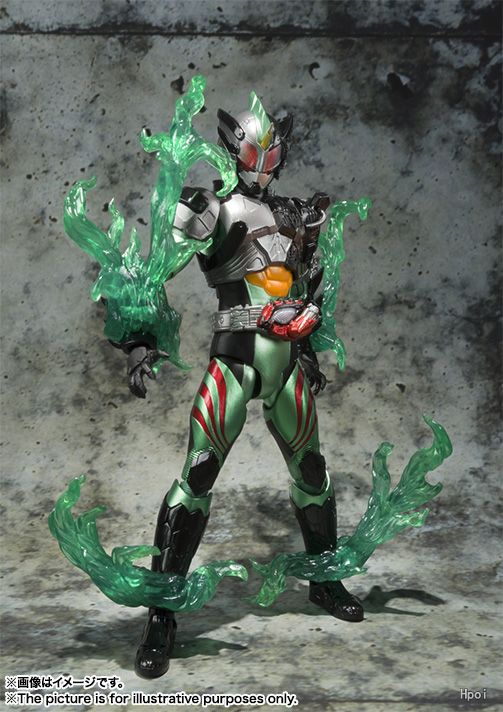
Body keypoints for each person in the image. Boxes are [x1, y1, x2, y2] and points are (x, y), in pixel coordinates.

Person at [117, 92, 364, 679]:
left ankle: (324, 579)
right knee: (198, 474)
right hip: (235, 359)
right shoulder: (212, 210)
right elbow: (151, 271)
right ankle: (162, 612)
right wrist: (141, 336)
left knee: (311, 470)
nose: (264, 163)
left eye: (273, 153)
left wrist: (309, 342)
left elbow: (309, 286)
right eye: (255, 152)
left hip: (286, 363)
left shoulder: (298, 214)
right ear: (234, 149)